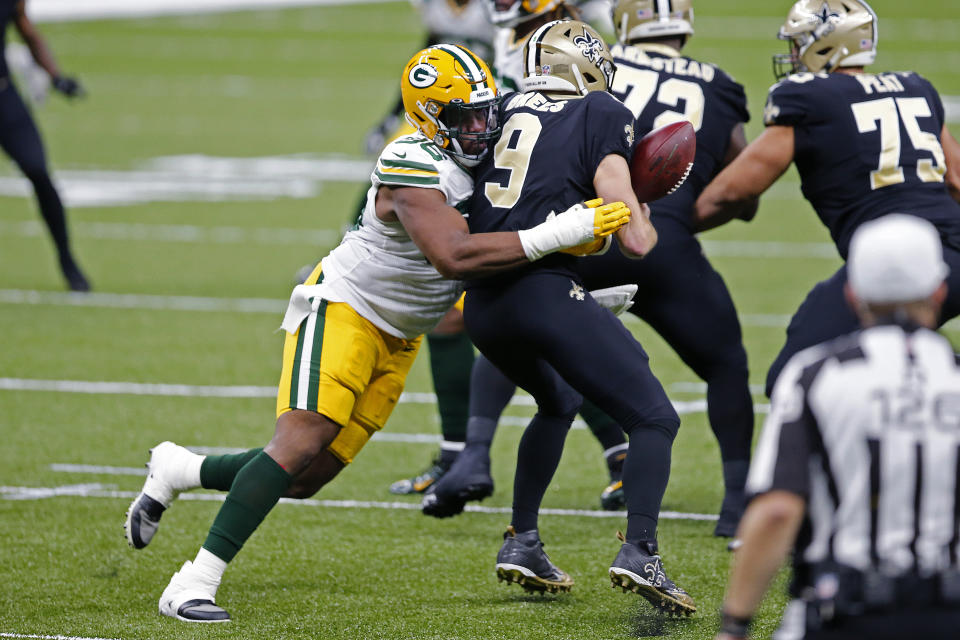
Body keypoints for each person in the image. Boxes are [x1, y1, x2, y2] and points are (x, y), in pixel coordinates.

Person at [122, 43, 632, 623]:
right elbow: (456, 257)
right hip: (348, 307)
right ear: (425, 116)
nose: (479, 126)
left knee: (307, 477)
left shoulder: (491, 152)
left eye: (485, 110)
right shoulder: (412, 159)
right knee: (299, 442)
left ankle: (180, 469)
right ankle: (193, 583)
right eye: (461, 116)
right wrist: (559, 231)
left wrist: (574, 300)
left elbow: (498, 264)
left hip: (403, 333)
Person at [424, 0, 757, 536]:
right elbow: (739, 190)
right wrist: (665, 209)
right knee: (717, 372)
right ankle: (732, 507)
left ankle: (477, 456)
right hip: (641, 238)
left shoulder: (506, 104)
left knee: (533, 334)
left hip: (521, 266)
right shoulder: (659, 94)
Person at [462, 19, 695, 615]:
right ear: (588, 66)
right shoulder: (600, 111)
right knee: (653, 417)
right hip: (540, 292)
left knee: (559, 401)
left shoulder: (507, 104)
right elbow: (635, 239)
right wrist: (645, 203)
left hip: (484, 302)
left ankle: (523, 542)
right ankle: (641, 551)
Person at [416, 0, 634, 515]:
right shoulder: (524, 41)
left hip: (563, 213)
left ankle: (467, 458)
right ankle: (615, 451)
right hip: (545, 208)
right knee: (533, 330)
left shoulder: (565, 43)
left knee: (499, 316)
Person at [695, 0, 960, 398]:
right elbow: (956, 180)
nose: (793, 54)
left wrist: (674, 222)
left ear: (826, 45)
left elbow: (736, 190)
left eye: (799, 43)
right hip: (953, 249)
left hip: (896, 257)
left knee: (792, 377)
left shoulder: (809, 99)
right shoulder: (916, 88)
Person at [715, 214, 960, 640]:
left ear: (852, 294)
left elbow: (777, 509)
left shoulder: (816, 374)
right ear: (940, 290)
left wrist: (735, 625)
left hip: (846, 610)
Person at [1, 0, 88, 291]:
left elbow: (28, 32)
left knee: (37, 169)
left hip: (3, 96)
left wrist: (55, 76)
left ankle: (67, 258)